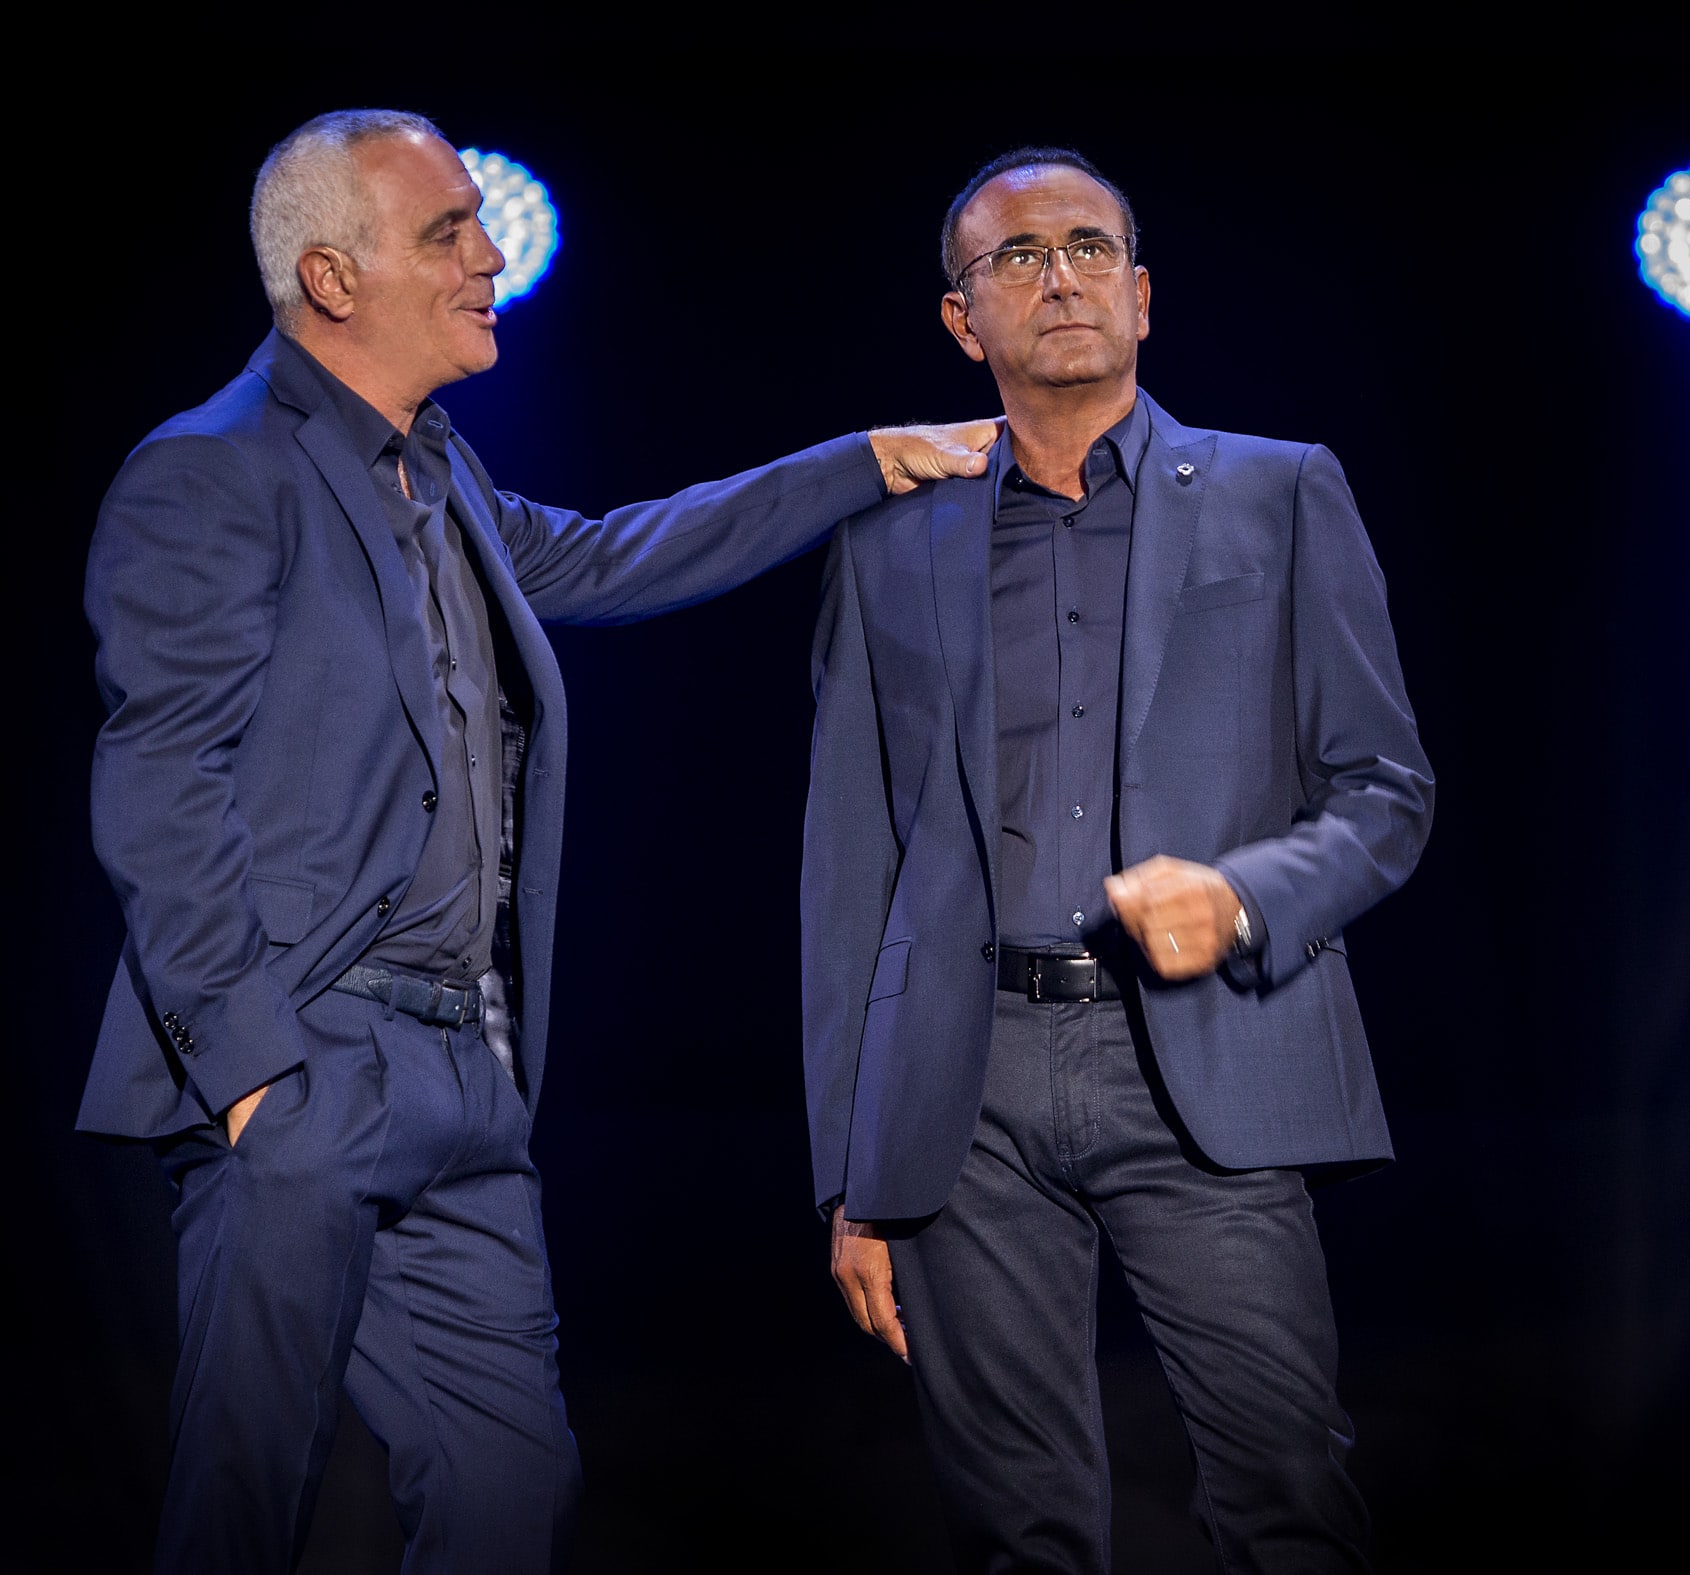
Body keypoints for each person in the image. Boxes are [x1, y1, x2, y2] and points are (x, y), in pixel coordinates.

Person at [81, 108, 992, 1574]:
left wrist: (864, 462)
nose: (489, 255)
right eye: (446, 231)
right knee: (244, 1508)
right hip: (302, 1064)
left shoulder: (437, 474)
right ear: (330, 279)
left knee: (513, 1497)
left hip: (466, 1076)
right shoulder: (211, 470)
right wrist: (251, 1076)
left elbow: (612, 552)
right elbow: (158, 783)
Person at [801, 147, 1433, 1571]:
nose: (1061, 277)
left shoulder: (1279, 492)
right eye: (1017, 257)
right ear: (963, 319)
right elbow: (849, 861)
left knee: (1286, 1498)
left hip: (1207, 1052)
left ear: (1142, 296)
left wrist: (1244, 899)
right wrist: (851, 1169)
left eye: (1090, 248)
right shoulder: (889, 540)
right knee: (1016, 1531)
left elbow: (1387, 791)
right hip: (964, 1085)